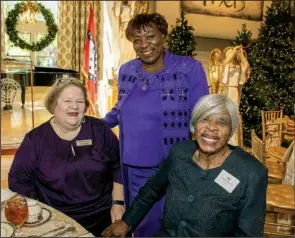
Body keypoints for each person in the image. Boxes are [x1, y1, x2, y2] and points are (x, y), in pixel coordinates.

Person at [102, 13, 209, 237]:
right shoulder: (127, 70)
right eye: (137, 40)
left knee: (161, 226)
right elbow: (119, 110)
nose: (143, 45)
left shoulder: (188, 68)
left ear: (163, 36)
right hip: (130, 166)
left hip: (166, 168)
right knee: (137, 225)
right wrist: (90, 125)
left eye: (150, 37)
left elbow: (202, 117)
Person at [102, 94, 268, 237]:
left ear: (231, 130)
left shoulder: (251, 173)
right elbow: (151, 190)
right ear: (195, 125)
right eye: (205, 119)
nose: (212, 127)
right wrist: (126, 221)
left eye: (222, 122)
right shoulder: (180, 153)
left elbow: (249, 234)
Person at [8, 78, 124, 237]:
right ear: (54, 104)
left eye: (80, 101)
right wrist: (40, 207)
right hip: (56, 222)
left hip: (103, 219)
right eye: (67, 100)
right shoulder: (35, 140)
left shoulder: (100, 130)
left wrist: (118, 203)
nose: (74, 106)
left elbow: (118, 166)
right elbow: (18, 179)